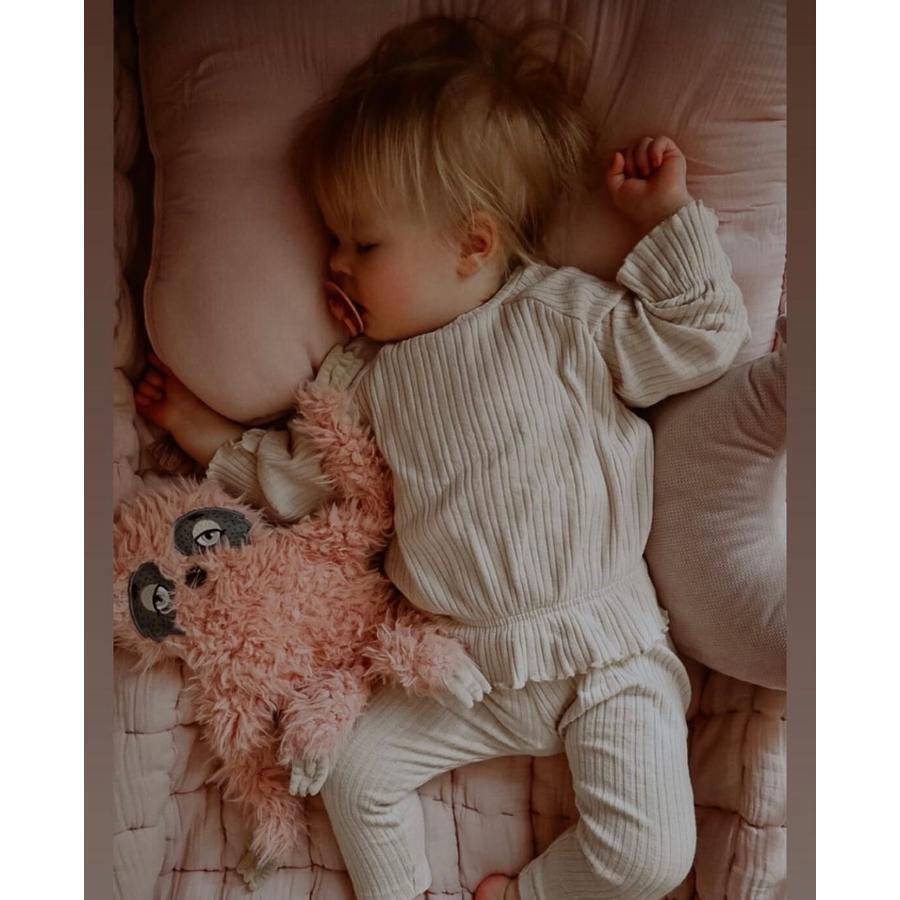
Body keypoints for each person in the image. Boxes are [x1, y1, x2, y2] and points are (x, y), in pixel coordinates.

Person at [134, 16, 750, 900]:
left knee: (652, 857)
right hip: (462, 665)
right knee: (352, 773)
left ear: (474, 242)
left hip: (605, 645)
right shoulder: (369, 378)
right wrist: (202, 433)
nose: (336, 265)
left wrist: (666, 220)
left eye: (363, 243)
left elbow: (700, 339)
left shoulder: (560, 316)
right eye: (334, 241)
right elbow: (308, 481)